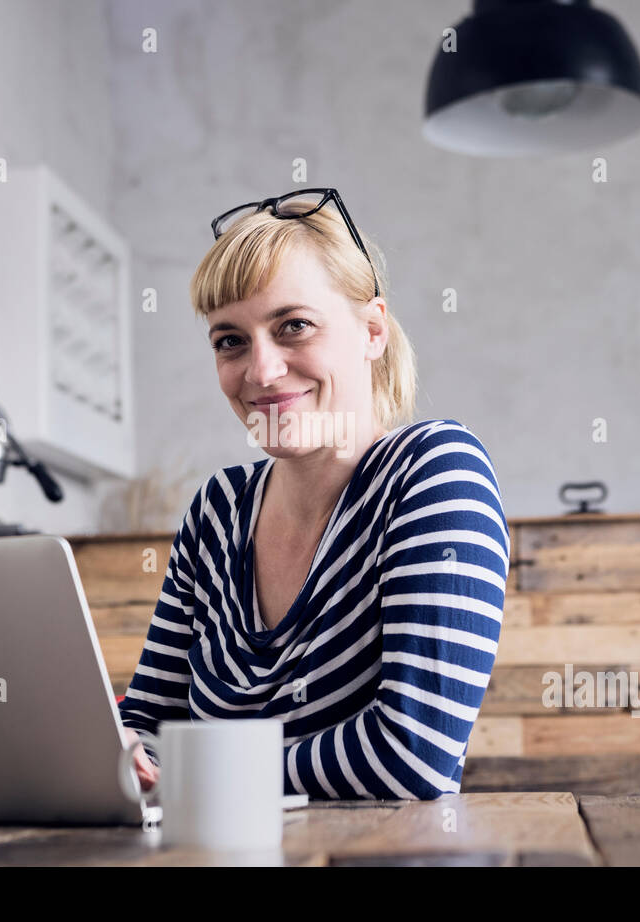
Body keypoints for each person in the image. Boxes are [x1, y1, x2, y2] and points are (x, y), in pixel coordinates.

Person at [119, 189, 510, 799]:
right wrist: (114, 752)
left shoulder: (433, 474)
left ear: (372, 330)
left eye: (293, 326)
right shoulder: (217, 511)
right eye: (230, 340)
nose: (261, 371)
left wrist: (199, 773)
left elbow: (413, 755)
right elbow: (147, 724)